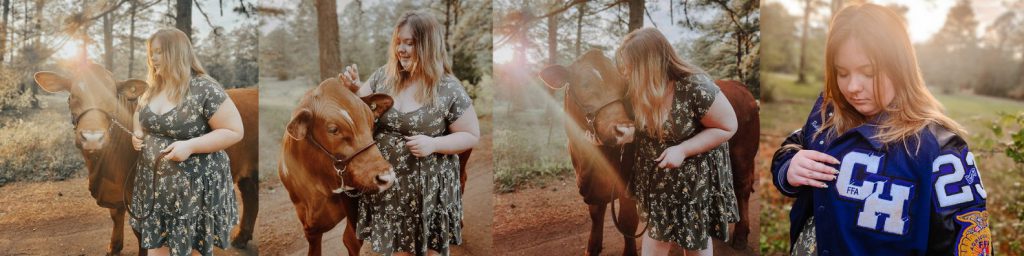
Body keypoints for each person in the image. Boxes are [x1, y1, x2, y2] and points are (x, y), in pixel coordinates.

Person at [770, 3, 991, 255]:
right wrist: (790, 167)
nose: (852, 86)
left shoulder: (941, 150)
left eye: (869, 72)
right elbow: (793, 145)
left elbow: (969, 243)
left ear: (900, 68)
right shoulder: (829, 117)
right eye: (842, 73)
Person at [339, 10, 480, 256]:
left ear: (428, 45)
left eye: (410, 43)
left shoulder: (448, 88)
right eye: (398, 42)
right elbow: (363, 109)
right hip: (388, 187)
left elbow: (471, 135)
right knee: (397, 251)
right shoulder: (384, 76)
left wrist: (433, 144)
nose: (401, 50)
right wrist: (355, 89)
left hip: (427, 191)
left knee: (427, 251)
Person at [615, 27, 739, 256]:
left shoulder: (695, 87)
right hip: (658, 185)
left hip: (691, 185)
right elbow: (654, 131)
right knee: (656, 238)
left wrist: (683, 149)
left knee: (693, 245)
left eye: (630, 66)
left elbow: (728, 125)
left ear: (649, 64)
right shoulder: (639, 87)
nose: (625, 72)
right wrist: (630, 134)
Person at [129, 28, 243, 256]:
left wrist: (190, 146)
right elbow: (139, 113)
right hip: (155, 187)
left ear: (177, 52)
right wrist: (137, 132)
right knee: (156, 249)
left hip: (194, 189)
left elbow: (234, 130)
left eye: (159, 52)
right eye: (151, 52)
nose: (153, 58)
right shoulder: (153, 87)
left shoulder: (204, 89)